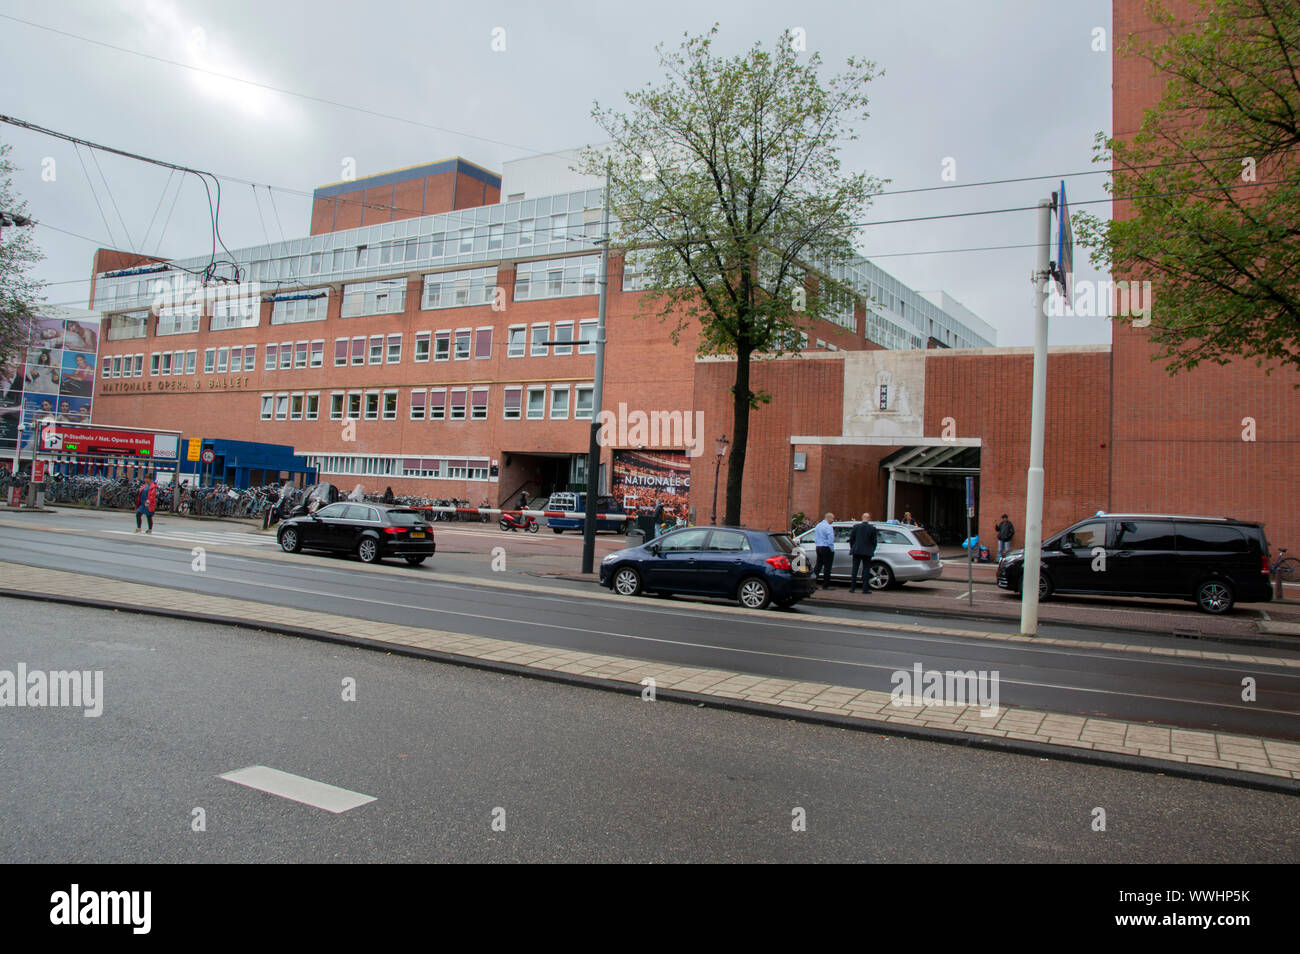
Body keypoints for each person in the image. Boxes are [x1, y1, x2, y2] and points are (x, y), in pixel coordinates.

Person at [848, 512, 879, 593]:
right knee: (866, 570)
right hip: (867, 551)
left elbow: (851, 539)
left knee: (855, 569)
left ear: (862, 518)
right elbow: (874, 541)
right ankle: (865, 589)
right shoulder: (872, 528)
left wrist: (853, 547)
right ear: (869, 519)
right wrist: (872, 549)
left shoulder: (856, 527)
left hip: (856, 550)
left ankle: (852, 588)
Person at [813, 512, 836, 589]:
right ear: (828, 518)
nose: (833, 520)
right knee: (827, 567)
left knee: (818, 566)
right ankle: (825, 585)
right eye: (832, 518)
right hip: (826, 547)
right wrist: (832, 549)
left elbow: (815, 537)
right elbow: (830, 539)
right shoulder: (828, 527)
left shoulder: (818, 526)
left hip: (818, 547)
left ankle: (813, 583)